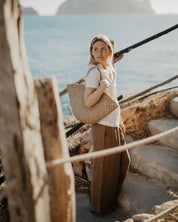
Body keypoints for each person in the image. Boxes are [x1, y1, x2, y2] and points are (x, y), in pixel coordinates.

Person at [84, 34, 130, 215]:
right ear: (91, 52)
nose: (99, 52)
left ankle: (109, 202)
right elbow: (88, 102)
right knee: (104, 170)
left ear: (110, 51)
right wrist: (102, 86)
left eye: (103, 48)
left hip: (113, 123)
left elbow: (113, 100)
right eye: (95, 49)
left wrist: (119, 120)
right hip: (102, 126)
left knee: (123, 162)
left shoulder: (110, 68)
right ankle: (99, 208)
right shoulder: (94, 72)